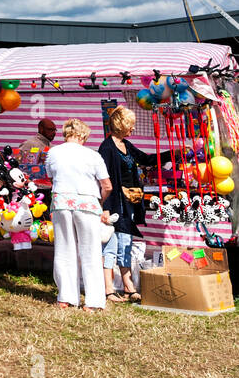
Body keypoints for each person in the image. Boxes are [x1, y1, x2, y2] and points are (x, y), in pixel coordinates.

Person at [98, 106, 169, 305]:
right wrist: (106, 208)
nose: (134, 129)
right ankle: (110, 289)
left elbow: (146, 159)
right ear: (121, 125)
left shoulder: (126, 144)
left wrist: (172, 154)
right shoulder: (107, 148)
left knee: (125, 244)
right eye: (131, 125)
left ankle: (128, 287)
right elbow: (106, 181)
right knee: (114, 245)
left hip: (130, 201)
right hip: (115, 204)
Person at [46, 118, 114, 311]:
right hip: (87, 202)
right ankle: (93, 302)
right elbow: (107, 185)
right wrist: (100, 201)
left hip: (61, 202)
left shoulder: (53, 153)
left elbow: (51, 178)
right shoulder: (92, 156)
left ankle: (65, 297)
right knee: (91, 252)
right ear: (83, 135)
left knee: (64, 249)